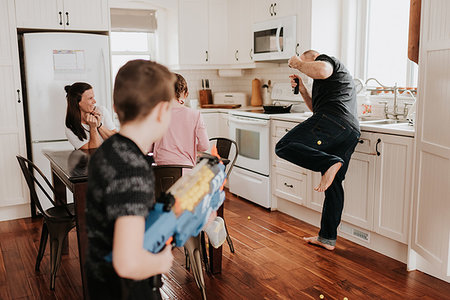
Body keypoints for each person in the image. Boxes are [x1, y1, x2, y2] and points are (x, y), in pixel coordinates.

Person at [84, 60, 176, 299]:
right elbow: (128, 263)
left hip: (100, 280)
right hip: (125, 290)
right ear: (161, 112)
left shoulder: (106, 150)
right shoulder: (133, 167)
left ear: (115, 106)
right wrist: (162, 262)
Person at [275, 50, 361, 251]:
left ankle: (329, 162)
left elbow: (321, 69)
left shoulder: (326, 62)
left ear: (312, 58)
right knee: (334, 185)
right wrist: (304, 90)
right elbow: (317, 109)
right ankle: (327, 238)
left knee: (284, 146)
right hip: (348, 131)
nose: (306, 70)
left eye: (307, 65)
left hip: (335, 122)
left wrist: (297, 63)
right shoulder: (329, 83)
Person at [152, 73, 209, 168]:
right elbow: (204, 146)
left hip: (160, 169)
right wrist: (189, 147)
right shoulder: (195, 115)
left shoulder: (156, 114)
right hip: (186, 169)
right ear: (186, 93)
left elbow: (149, 147)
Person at [64, 82, 116, 149]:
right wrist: (93, 128)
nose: (94, 101)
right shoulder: (71, 128)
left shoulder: (101, 111)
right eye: (90, 98)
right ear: (78, 102)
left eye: (93, 97)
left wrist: (99, 125)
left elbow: (117, 141)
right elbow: (93, 151)